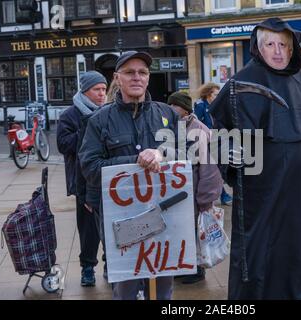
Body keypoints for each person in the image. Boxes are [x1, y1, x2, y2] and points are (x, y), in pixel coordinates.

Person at [209, 17, 301, 299]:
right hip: (258, 186)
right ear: (259, 47)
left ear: (292, 50)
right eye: (270, 44)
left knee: (291, 249)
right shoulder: (240, 83)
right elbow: (219, 132)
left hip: (294, 189)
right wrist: (228, 153)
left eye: (284, 45)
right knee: (255, 251)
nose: (278, 51)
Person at [78, 51, 180, 300]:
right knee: (126, 284)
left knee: (162, 282)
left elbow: (186, 154)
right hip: (121, 217)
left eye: (142, 72)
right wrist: (135, 162)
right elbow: (90, 167)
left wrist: (161, 154)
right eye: (129, 72)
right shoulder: (99, 120)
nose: (137, 77)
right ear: (117, 78)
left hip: (163, 211)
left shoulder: (166, 114)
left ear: (148, 77)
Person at [56, 71, 107, 286]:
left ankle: (110, 264)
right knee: (88, 229)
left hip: (106, 177)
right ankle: (88, 268)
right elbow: (63, 145)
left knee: (112, 226)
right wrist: (86, 128)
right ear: (85, 90)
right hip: (82, 180)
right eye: (97, 89)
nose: (102, 94)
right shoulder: (70, 115)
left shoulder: (108, 112)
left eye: (104, 89)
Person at [167, 91, 223, 284]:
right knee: (183, 230)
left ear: (184, 108)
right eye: (170, 105)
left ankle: (197, 269)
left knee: (196, 231)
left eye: (175, 105)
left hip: (196, 189)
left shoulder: (198, 129)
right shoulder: (173, 126)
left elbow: (209, 167)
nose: (172, 109)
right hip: (180, 190)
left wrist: (206, 197)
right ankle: (186, 265)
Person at [194, 83, 233, 206]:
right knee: (213, 170)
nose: (218, 96)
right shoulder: (200, 106)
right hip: (204, 142)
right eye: (215, 94)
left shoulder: (218, 106)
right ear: (208, 95)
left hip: (217, 140)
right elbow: (197, 123)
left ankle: (222, 195)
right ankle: (223, 196)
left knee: (218, 169)